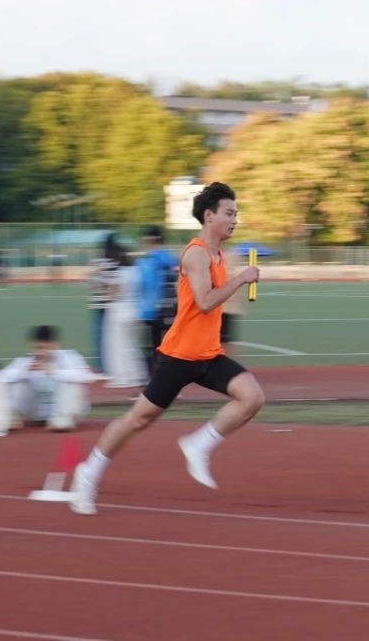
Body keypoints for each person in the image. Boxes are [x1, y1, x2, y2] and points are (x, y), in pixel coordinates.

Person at [69, 182, 264, 515]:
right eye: (229, 213)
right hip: (179, 356)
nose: (235, 220)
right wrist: (241, 279)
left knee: (252, 397)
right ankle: (87, 473)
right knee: (138, 419)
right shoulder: (196, 254)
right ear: (209, 216)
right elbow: (204, 302)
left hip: (208, 354)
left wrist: (237, 278)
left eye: (236, 214)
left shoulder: (218, 255)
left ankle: (198, 444)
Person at [0, 325, 96, 431]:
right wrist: (23, 372)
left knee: (71, 383)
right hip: (37, 412)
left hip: (67, 410)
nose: (40, 352)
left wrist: (53, 372)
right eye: (36, 348)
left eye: (45, 348)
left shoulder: (69, 356)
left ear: (55, 346)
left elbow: (88, 376)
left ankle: (62, 421)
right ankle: (12, 418)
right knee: (17, 381)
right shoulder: (25, 360)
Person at [102, 242, 147, 389]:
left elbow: (113, 294)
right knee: (133, 346)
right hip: (136, 309)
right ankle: (137, 375)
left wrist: (106, 290)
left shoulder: (117, 272)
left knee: (118, 346)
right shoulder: (136, 270)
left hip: (119, 310)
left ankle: (122, 377)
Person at [135, 225, 179, 376]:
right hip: (170, 308)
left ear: (150, 240)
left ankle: (154, 381)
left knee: (151, 347)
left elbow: (145, 285)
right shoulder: (171, 258)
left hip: (152, 310)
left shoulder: (148, 260)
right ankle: (169, 380)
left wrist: (142, 311)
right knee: (168, 347)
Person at [88, 234, 120, 376]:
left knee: (98, 336)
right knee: (111, 337)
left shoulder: (98, 262)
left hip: (98, 304)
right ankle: (111, 364)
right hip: (112, 304)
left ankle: (101, 365)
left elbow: (92, 284)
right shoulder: (116, 262)